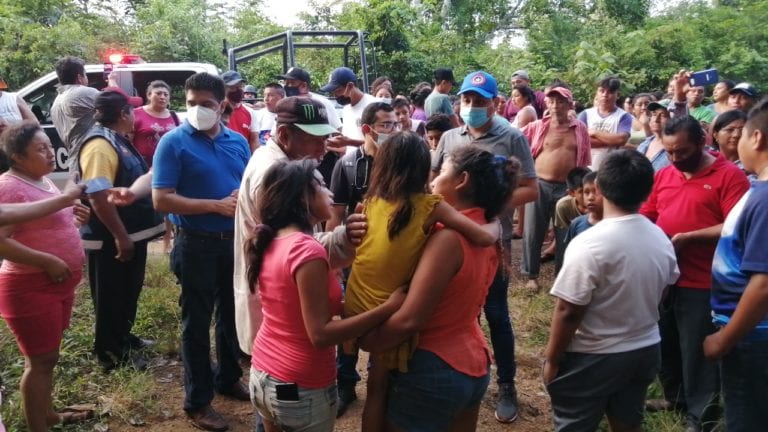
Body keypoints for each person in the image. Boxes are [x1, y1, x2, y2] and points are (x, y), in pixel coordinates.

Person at [359, 146, 520, 432]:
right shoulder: (486, 228)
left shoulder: (448, 238)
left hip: (432, 368)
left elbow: (412, 318)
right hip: (472, 364)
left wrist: (370, 342)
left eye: (442, 171)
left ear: (462, 180)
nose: (433, 179)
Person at [247, 159, 403, 432]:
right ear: (303, 197)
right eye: (320, 185)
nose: (330, 192)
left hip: (263, 373)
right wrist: (387, 309)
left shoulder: (272, 239)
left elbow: (296, 307)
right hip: (300, 384)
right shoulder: (308, 251)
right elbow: (320, 334)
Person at [543, 149, 680, 432]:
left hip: (593, 354)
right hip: (644, 348)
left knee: (574, 424)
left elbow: (568, 311)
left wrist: (552, 359)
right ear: (647, 190)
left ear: (601, 187)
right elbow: (664, 292)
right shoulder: (661, 238)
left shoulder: (589, 244)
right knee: (628, 419)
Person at [432, 70, 538, 424]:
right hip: (450, 239)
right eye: (467, 100)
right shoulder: (449, 137)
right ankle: (463, 376)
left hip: (493, 239)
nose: (472, 106)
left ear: (494, 103)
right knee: (461, 311)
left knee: (495, 311)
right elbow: (433, 181)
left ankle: (506, 384)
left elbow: (531, 188)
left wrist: (492, 203)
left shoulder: (511, 137)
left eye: (480, 101)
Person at [152, 72, 252, 431]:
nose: (197, 110)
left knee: (231, 316)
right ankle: (198, 402)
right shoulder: (173, 143)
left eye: (206, 105)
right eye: (191, 103)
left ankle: (228, 377)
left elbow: (247, 187)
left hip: (233, 244)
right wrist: (214, 206)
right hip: (195, 243)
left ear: (223, 104)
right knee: (196, 323)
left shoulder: (238, 142)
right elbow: (161, 198)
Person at [639, 115, 750, 432]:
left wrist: (690, 238)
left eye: (682, 152)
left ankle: (702, 417)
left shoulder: (729, 177)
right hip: (666, 277)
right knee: (666, 341)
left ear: (703, 142)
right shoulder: (665, 175)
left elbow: (736, 226)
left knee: (698, 351)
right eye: (670, 152)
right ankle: (675, 397)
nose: (675, 159)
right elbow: (648, 213)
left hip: (704, 280)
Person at [0, 122, 90, 431]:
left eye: (50, 146)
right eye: (41, 149)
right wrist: (46, 260)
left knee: (46, 358)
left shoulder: (42, 180)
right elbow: (1, 240)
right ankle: (38, 426)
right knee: (39, 363)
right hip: (29, 286)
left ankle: (49, 414)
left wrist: (74, 220)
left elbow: (43, 224)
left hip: (56, 286)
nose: (51, 153)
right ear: (18, 157)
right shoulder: (9, 186)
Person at [78, 88, 163, 371]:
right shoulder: (99, 145)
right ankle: (110, 352)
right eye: (132, 111)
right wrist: (120, 236)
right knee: (111, 294)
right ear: (123, 114)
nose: (136, 116)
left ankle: (124, 337)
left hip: (127, 235)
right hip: (110, 240)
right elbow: (97, 196)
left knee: (128, 290)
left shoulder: (116, 139)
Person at [703, 96, 768, 432]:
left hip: (752, 336)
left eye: (742, 133)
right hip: (749, 332)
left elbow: (764, 283)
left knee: (747, 419)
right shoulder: (759, 189)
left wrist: (725, 338)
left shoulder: (765, 198)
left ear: (756, 138)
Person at [520, 86, 590, 292]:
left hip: (567, 188)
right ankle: (531, 275)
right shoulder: (537, 126)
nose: (555, 105)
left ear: (570, 105)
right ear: (546, 104)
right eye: (551, 101)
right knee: (533, 231)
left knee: (566, 233)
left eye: (560, 101)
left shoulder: (580, 129)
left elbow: (584, 160)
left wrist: (581, 189)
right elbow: (516, 140)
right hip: (540, 184)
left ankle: (563, 276)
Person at [50, 56, 100, 171]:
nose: (86, 78)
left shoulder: (56, 103)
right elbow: (116, 102)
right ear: (79, 77)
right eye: (85, 74)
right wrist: (113, 83)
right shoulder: (82, 93)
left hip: (74, 162)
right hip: (92, 159)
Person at [578, 76, 632, 170]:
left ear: (617, 95)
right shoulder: (586, 114)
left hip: (611, 168)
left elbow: (621, 139)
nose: (605, 95)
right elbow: (579, 140)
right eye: (601, 91)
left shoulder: (624, 116)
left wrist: (595, 132)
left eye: (610, 92)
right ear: (597, 93)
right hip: (585, 168)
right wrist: (612, 141)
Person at [321, 67, 377, 155]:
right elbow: (348, 148)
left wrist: (349, 142)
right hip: (353, 164)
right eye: (333, 93)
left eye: (338, 91)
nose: (336, 96)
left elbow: (382, 143)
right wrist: (327, 145)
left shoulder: (374, 105)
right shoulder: (346, 110)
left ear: (350, 86)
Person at [132, 80, 179, 166]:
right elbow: (128, 142)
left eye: (166, 94)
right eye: (158, 93)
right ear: (149, 95)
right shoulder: (136, 114)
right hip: (144, 165)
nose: (162, 97)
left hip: (169, 163)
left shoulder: (173, 115)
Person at [553, 167, 590, 272]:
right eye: (582, 192)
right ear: (571, 193)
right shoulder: (563, 206)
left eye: (592, 190)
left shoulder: (602, 205)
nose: (588, 196)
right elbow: (563, 237)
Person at [562, 171, 603, 252]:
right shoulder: (576, 223)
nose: (590, 197)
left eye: (596, 192)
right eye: (586, 192)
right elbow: (570, 250)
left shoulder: (614, 224)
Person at [221, 70, 258, 150]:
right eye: (233, 87)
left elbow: (254, 140)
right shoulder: (218, 111)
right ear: (224, 89)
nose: (238, 90)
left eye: (240, 86)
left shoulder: (250, 112)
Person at [636, 101, 672, 172]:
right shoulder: (644, 144)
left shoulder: (676, 150)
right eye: (654, 114)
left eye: (663, 115)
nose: (656, 120)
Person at [251, 83, 285, 148]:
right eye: (265, 95)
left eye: (270, 95)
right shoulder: (257, 115)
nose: (266, 99)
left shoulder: (288, 117)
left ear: (281, 97)